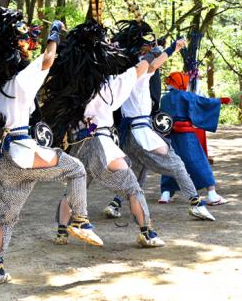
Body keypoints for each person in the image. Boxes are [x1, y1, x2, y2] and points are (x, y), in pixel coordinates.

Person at [0, 7, 102, 287]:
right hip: (24, 151)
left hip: (2, 160)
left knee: (6, 219)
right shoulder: (20, 81)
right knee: (76, 169)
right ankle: (79, 220)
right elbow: (48, 59)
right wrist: (55, 34)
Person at [42, 19, 165, 248]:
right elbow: (136, 72)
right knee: (132, 187)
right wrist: (151, 55)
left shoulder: (71, 88)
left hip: (79, 144)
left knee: (74, 187)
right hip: (102, 143)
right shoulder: (107, 85)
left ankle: (61, 232)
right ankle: (147, 233)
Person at [103, 20, 215, 222]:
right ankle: (196, 204)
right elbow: (153, 63)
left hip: (128, 135)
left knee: (135, 169)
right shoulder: (137, 71)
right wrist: (170, 48)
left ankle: (115, 203)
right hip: (141, 131)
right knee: (177, 165)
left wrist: (164, 49)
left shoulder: (122, 73)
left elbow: (152, 63)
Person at [159, 71, 230, 205]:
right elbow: (203, 102)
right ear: (182, 83)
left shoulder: (165, 99)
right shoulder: (186, 96)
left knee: (170, 162)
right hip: (186, 136)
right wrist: (219, 101)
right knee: (199, 161)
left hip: (169, 136)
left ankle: (165, 194)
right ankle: (212, 194)